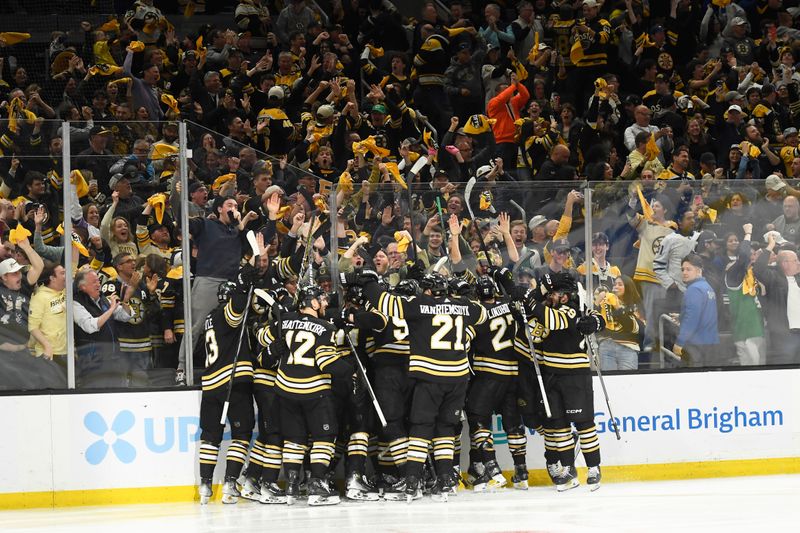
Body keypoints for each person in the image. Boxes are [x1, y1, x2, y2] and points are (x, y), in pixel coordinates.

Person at [360, 270, 487, 501]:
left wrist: (367, 282)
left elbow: (384, 302)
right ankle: (446, 479)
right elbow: (482, 314)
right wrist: (466, 296)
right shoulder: (464, 306)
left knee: (420, 427)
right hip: (458, 378)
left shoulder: (421, 304)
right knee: (445, 429)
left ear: (428, 290)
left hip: (430, 376)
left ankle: (412, 479)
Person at [257, 284, 353, 506]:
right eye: (322, 300)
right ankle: (317, 485)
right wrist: (351, 370)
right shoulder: (324, 328)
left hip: (285, 391)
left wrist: (276, 342)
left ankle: (291, 485)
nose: (326, 304)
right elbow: (326, 361)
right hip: (314, 392)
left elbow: (261, 337)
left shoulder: (284, 320)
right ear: (312, 302)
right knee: (324, 438)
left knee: (294, 439)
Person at [196, 270, 258, 506]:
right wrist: (245, 283)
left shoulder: (210, 317)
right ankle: (231, 484)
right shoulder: (226, 313)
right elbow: (237, 309)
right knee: (242, 435)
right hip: (233, 383)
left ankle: (205, 485)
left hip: (210, 385)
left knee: (210, 437)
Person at [465, 275, 527, 491]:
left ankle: (492, 469)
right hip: (512, 372)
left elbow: (465, 342)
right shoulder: (508, 305)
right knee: (513, 423)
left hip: (488, 373)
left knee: (477, 418)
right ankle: (521, 472)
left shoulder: (477, 312)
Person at [72, 268, 132, 383]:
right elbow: (90, 326)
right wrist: (111, 309)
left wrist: (125, 301)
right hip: (92, 364)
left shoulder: (103, 299)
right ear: (82, 286)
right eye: (94, 282)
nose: (98, 284)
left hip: (114, 361)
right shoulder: (76, 303)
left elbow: (125, 316)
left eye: (98, 281)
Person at [753, 234, 800, 365]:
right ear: (784, 263)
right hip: (785, 335)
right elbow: (758, 269)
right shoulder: (773, 277)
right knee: (784, 368)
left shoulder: (798, 278)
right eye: (795, 260)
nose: (799, 263)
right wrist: (770, 246)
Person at [673, 254, 720, 367]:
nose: (684, 272)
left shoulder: (694, 290)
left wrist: (680, 342)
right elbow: (703, 313)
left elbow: (691, 319)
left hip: (696, 345)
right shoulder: (707, 287)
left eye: (689, 269)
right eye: (683, 269)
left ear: (698, 271)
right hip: (710, 342)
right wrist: (681, 317)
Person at [0, 239, 44, 356]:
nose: (19, 275)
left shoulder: (23, 284)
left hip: (25, 349)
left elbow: (39, 266)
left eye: (19, 272)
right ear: (4, 277)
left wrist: (27, 248)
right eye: (14, 273)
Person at [595, 276, 643, 371]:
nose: (616, 286)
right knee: (608, 383)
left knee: (628, 383)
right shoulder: (606, 302)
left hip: (628, 348)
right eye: (615, 284)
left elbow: (635, 328)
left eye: (620, 284)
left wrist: (618, 307)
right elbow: (594, 321)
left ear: (628, 287)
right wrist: (597, 302)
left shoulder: (635, 306)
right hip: (606, 346)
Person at [28, 262, 67, 369]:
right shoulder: (39, 297)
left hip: (66, 351)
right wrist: (47, 346)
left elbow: (72, 264)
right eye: (63, 273)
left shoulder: (66, 291)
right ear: (52, 278)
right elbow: (33, 327)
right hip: (48, 354)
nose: (66, 275)